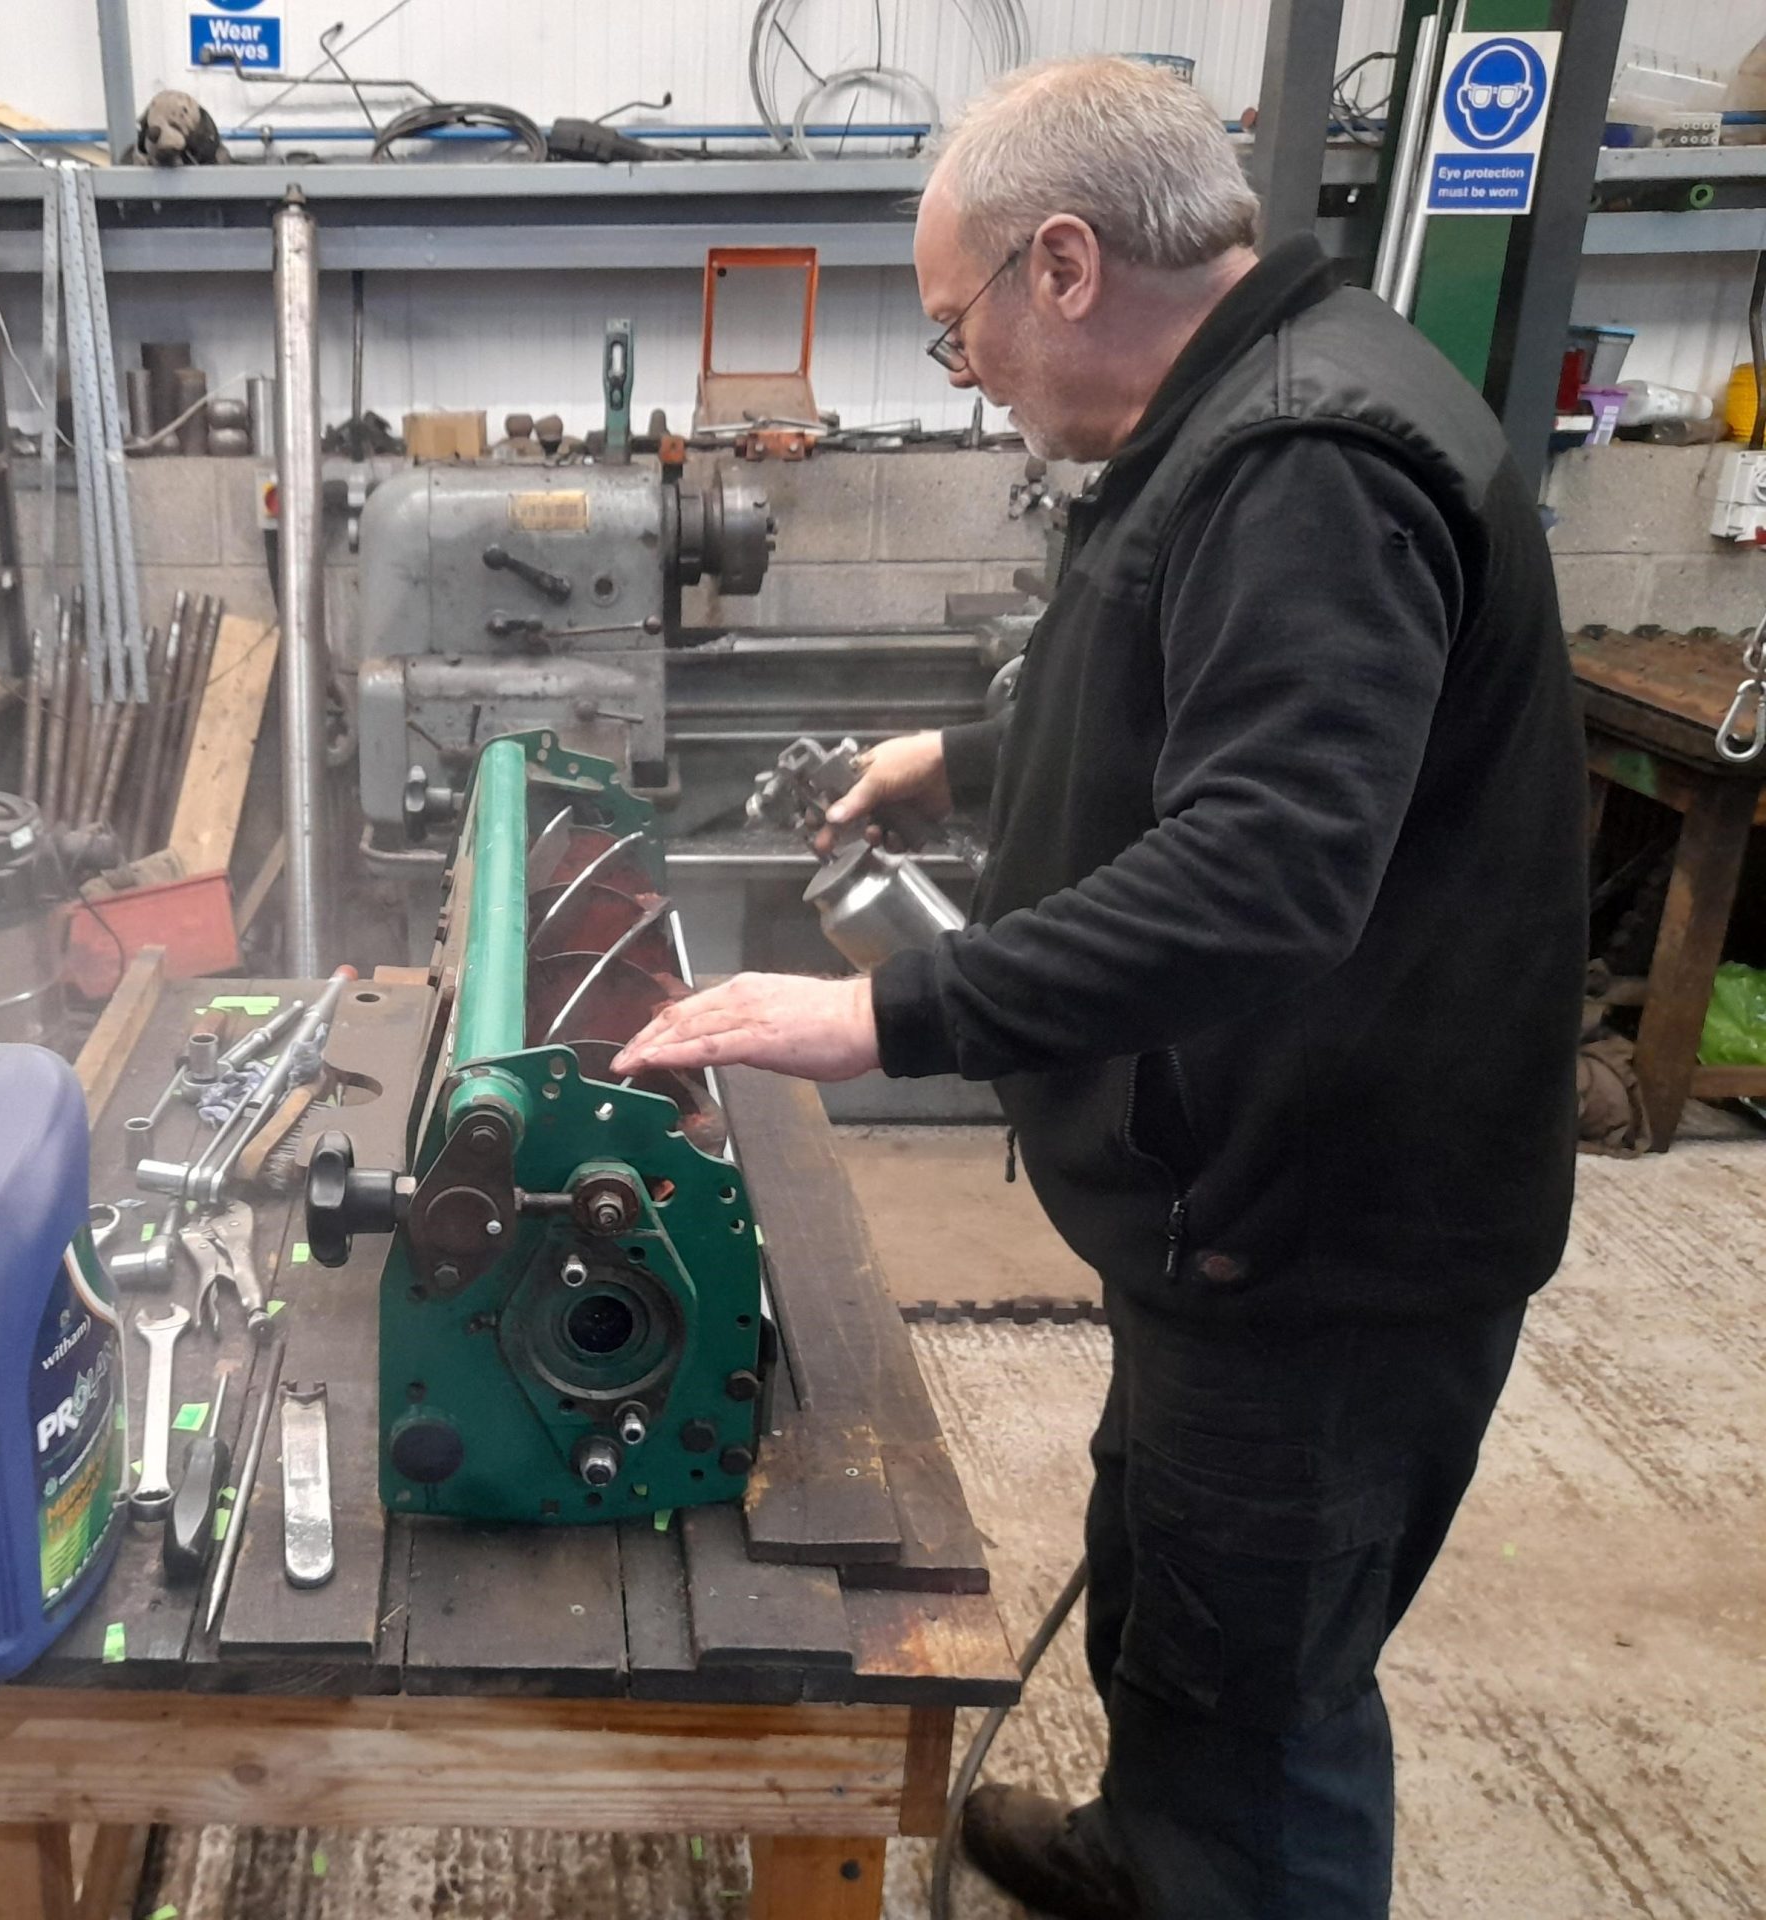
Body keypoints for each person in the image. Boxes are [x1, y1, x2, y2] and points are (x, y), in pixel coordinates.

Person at [613, 55, 1585, 1920]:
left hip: (1329, 1235)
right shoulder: (1245, 419)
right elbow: (1169, 684)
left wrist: (891, 1017)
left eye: (955, 327)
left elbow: (1268, 870)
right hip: (1231, 1202)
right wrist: (957, 761)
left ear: (1063, 263)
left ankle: (1217, 1860)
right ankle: (1150, 1854)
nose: (962, 373)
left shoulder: (1307, 460)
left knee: (1266, 1697)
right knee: (1172, 1575)